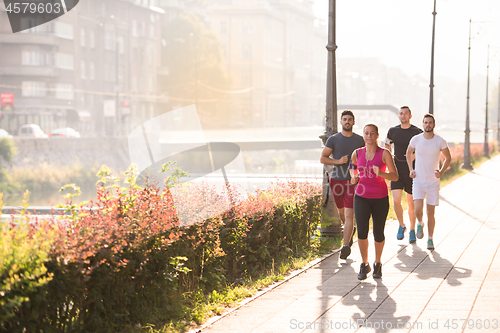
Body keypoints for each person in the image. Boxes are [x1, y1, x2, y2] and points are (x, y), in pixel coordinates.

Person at [350, 124, 398, 280]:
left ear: (377, 135)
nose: (369, 136)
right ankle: (364, 264)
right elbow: (352, 166)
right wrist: (353, 176)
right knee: (362, 232)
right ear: (363, 135)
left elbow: (395, 176)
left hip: (380, 198)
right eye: (366, 133)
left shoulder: (385, 154)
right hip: (361, 197)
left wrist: (381, 173)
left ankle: (377, 263)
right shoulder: (357, 153)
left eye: (372, 134)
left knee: (378, 233)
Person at [320, 110, 365, 260]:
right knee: (341, 213)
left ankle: (345, 246)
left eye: (350, 119)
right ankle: (349, 231)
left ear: (353, 122)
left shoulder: (360, 140)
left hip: (353, 181)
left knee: (348, 213)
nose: (347, 121)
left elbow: (367, 156)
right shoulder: (333, 140)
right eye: (344, 119)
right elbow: (323, 158)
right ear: (341, 122)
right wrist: (338, 161)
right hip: (336, 180)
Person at [406, 114, 452, 250]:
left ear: (434, 125)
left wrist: (441, 172)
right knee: (418, 209)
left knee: (430, 213)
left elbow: (448, 158)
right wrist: (411, 169)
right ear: (423, 124)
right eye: (425, 122)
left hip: (433, 182)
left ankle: (430, 239)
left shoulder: (440, 141)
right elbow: (408, 153)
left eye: (430, 123)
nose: (428, 125)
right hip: (418, 180)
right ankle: (420, 223)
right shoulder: (416, 139)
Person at [385, 106, 423, 243]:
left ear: (410, 116)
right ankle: (402, 225)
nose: (403, 115)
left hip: (412, 171)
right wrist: (388, 151)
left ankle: (412, 230)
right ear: (398, 116)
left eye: (406, 113)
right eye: (401, 113)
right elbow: (387, 145)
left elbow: (422, 148)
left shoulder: (417, 131)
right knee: (396, 201)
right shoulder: (392, 131)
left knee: (410, 203)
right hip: (396, 170)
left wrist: (412, 156)